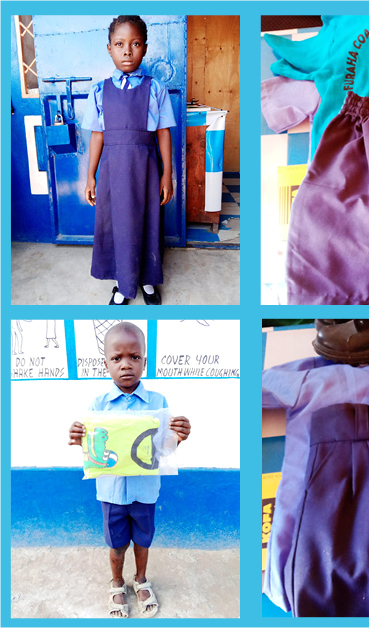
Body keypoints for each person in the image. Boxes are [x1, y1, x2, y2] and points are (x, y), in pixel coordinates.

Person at [68, 322, 191, 617]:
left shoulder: (158, 403)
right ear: (106, 364)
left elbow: (163, 449)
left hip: (145, 491)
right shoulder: (98, 405)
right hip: (111, 493)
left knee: (143, 541)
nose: (126, 365)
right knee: (116, 544)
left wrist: (180, 435)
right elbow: (93, 447)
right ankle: (116, 583)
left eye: (134, 357)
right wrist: (77, 437)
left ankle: (141, 580)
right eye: (117, 358)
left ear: (145, 362)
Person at [82, 16, 176, 305]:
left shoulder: (155, 89)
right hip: (112, 170)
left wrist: (167, 175)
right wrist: (91, 176)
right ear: (109, 48)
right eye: (120, 44)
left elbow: (162, 134)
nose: (127, 51)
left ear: (144, 48)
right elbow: (97, 136)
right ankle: (123, 286)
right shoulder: (99, 91)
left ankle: (148, 281)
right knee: (117, 226)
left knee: (148, 222)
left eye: (135, 44)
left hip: (145, 169)